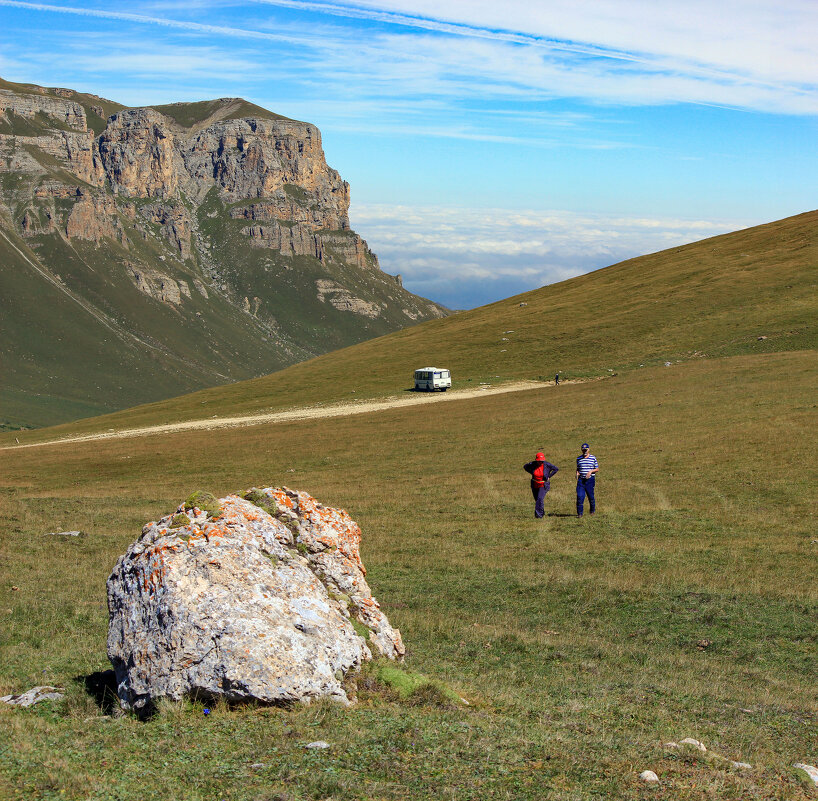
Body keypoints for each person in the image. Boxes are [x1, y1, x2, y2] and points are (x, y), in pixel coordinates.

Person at [523, 452, 559, 519]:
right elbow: (525, 467)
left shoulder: (547, 464)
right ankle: (541, 512)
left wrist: (549, 476)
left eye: (542, 461)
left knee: (540, 498)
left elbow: (556, 469)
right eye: (539, 461)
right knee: (537, 500)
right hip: (534, 484)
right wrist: (531, 472)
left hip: (543, 484)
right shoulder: (533, 464)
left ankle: (539, 516)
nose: (540, 462)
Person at [576, 443, 599, 516]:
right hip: (581, 481)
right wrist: (577, 473)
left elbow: (597, 469)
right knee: (580, 496)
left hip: (590, 480)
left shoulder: (593, 458)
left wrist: (591, 471)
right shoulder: (578, 459)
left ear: (588, 449)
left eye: (586, 450)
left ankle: (592, 511)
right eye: (583, 450)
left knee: (590, 496)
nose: (584, 451)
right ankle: (580, 514)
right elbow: (578, 469)